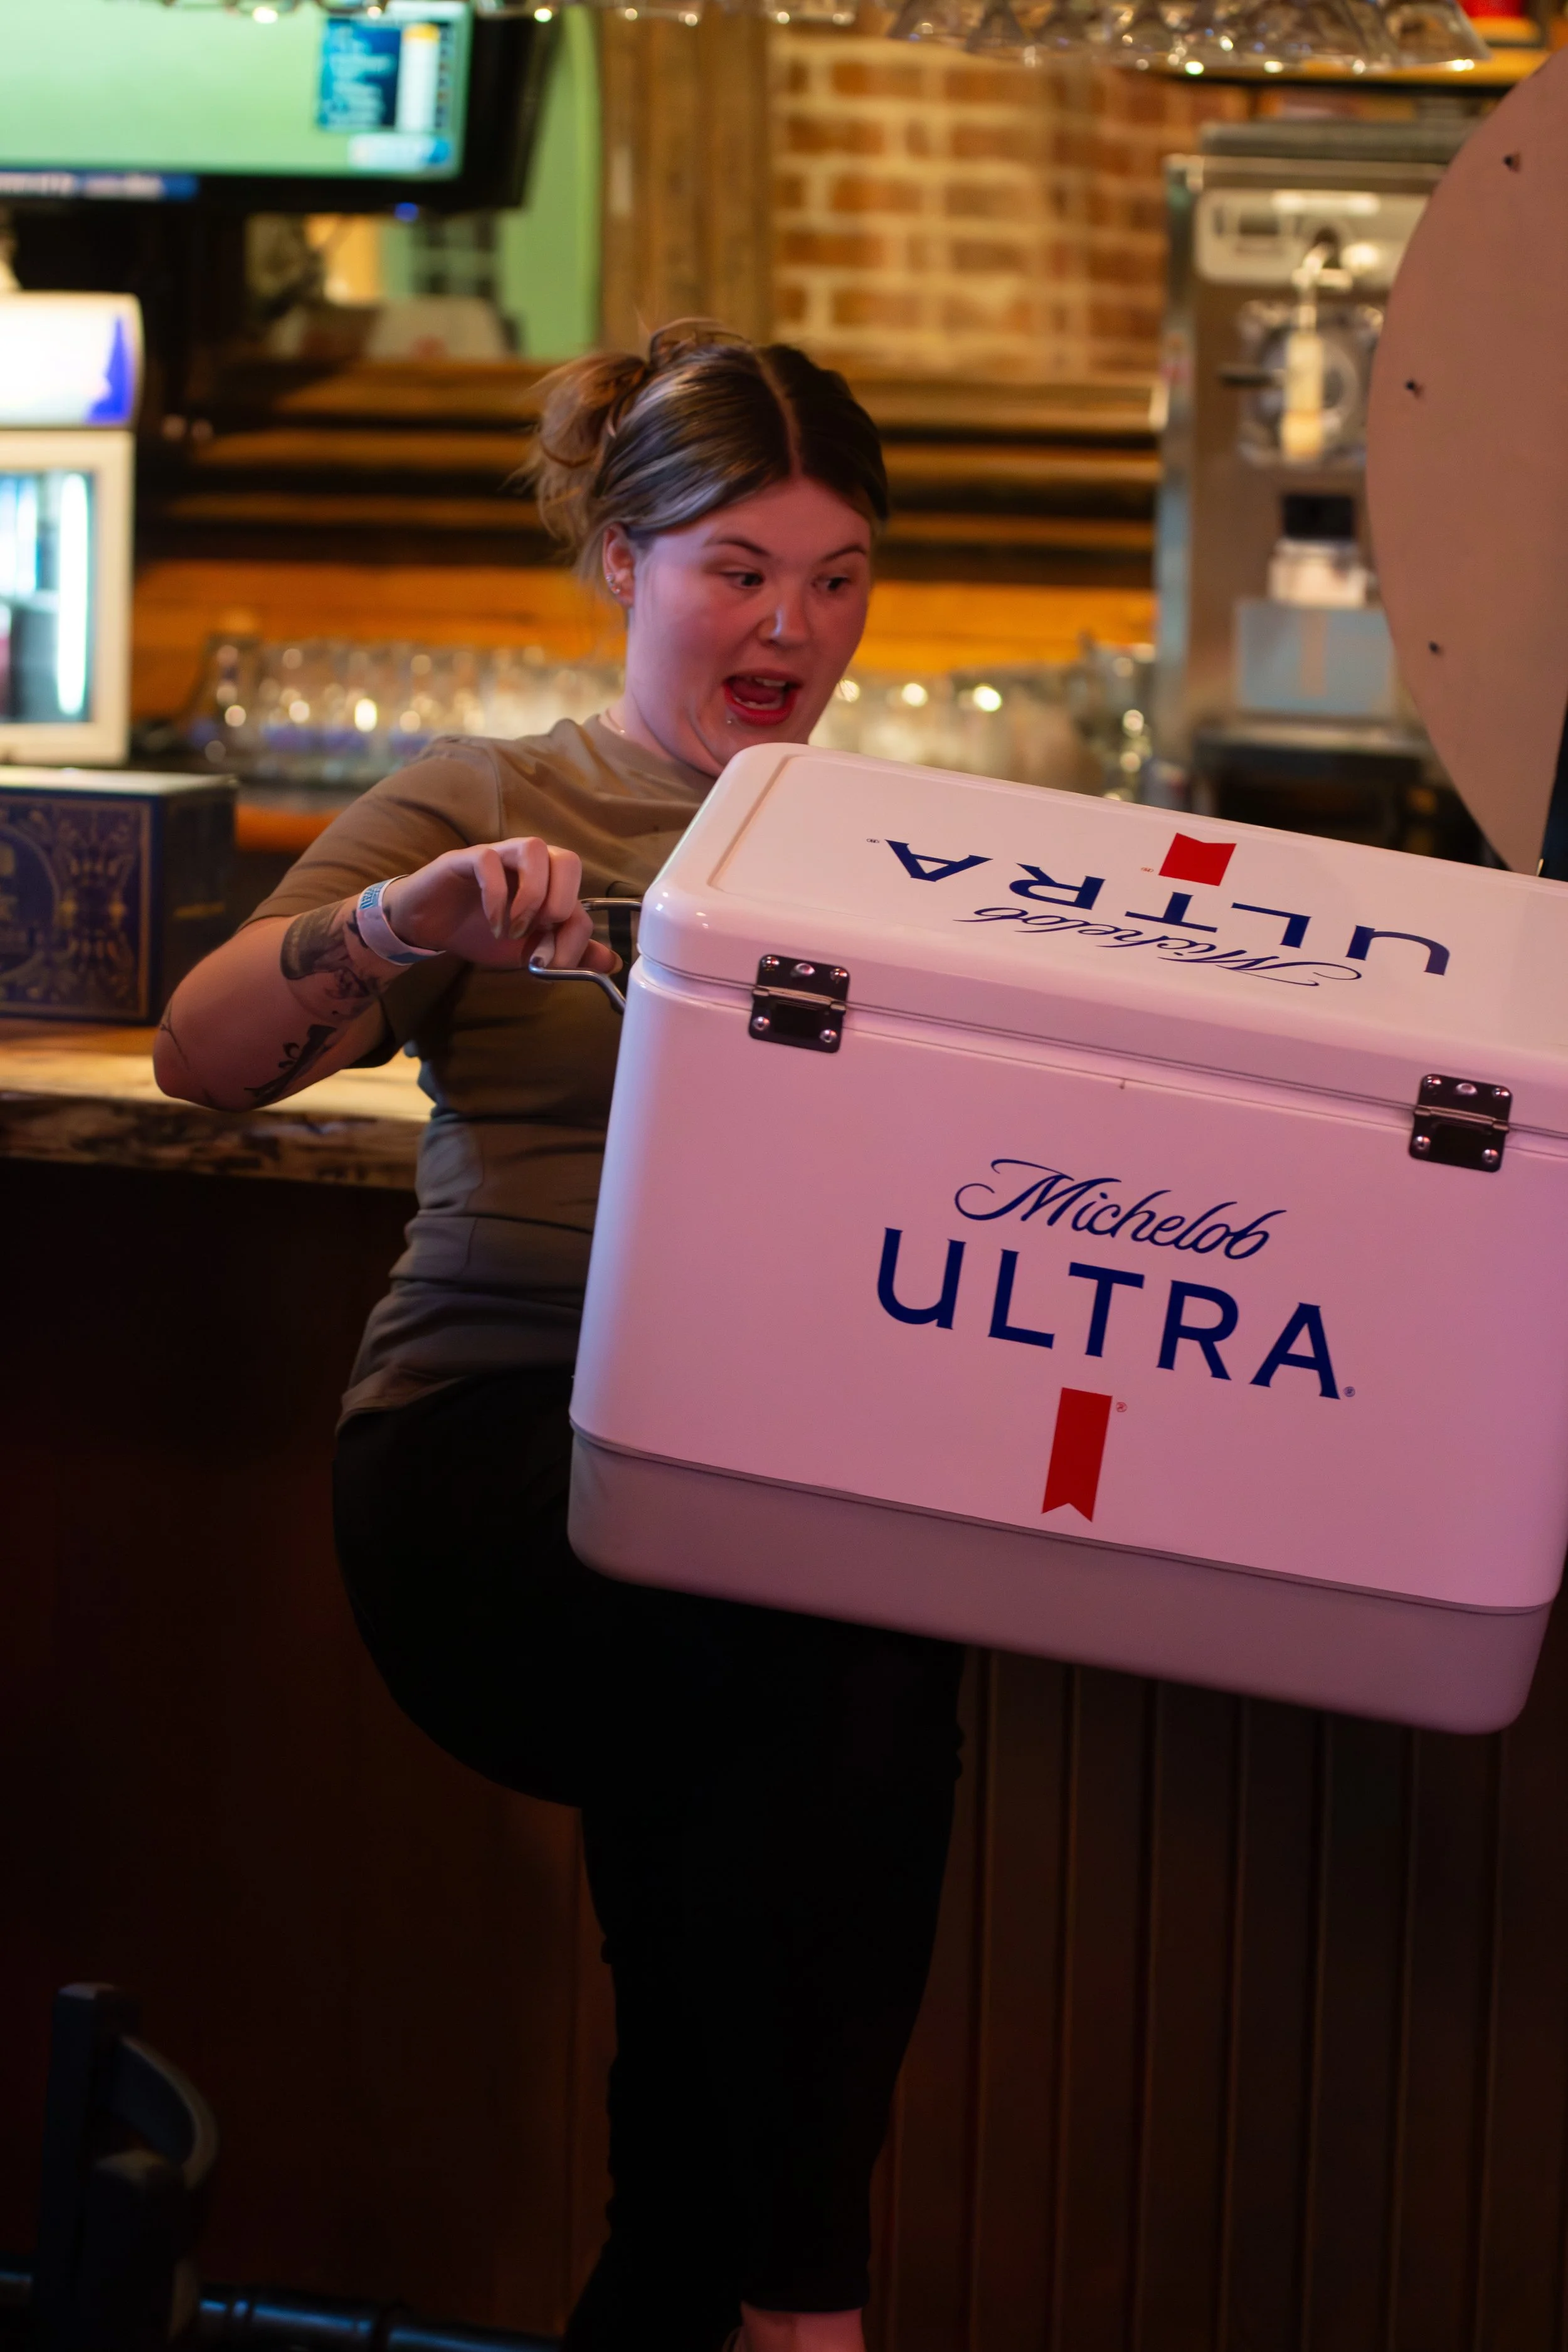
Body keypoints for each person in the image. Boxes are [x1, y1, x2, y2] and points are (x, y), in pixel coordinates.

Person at [155, 325, 965, 2352]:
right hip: (494, 1455)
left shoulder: (915, 855)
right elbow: (202, 1056)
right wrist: (395, 924)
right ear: (623, 560)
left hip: (760, 1477)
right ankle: (811, 2314)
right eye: (737, 570)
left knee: (712, 2000)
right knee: (846, 1646)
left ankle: (725, 2295)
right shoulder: (492, 797)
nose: (790, 627)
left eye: (837, 577)